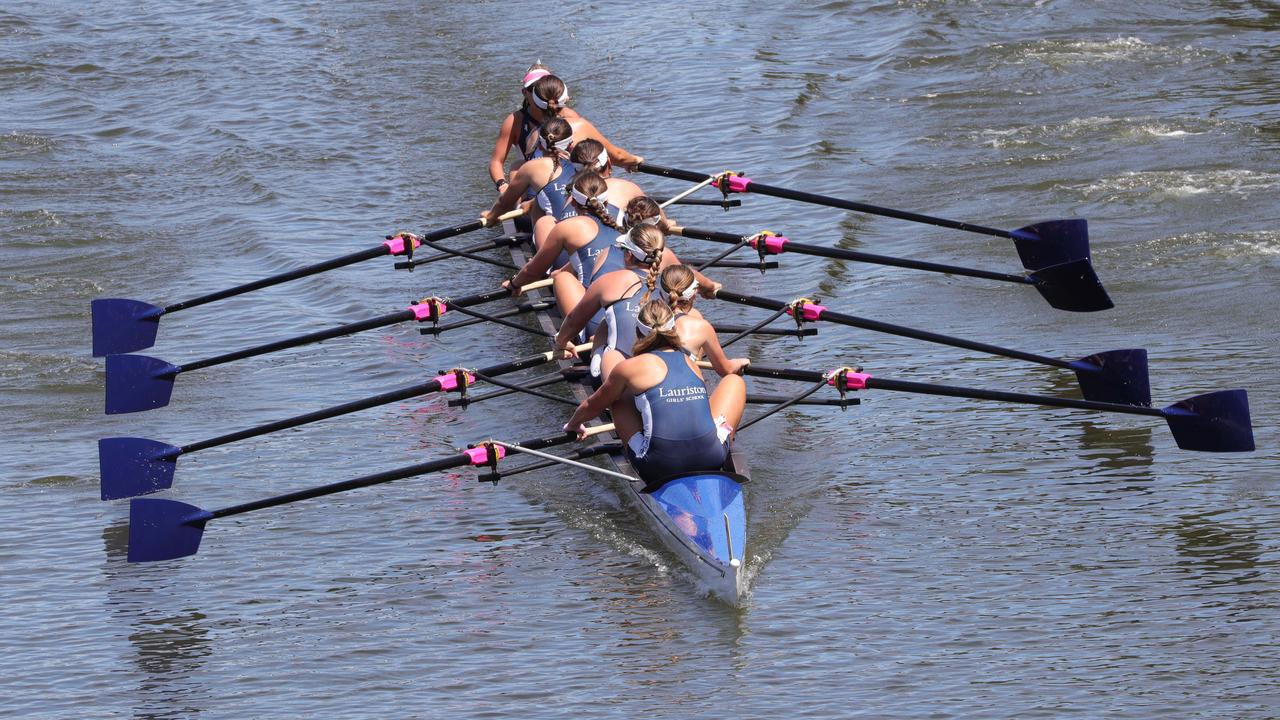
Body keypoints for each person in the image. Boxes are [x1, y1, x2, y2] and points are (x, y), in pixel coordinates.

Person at [562, 297, 747, 483]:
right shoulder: (690, 361)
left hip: (659, 466)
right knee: (734, 381)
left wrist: (573, 425)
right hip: (712, 457)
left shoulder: (628, 368)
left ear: (637, 332)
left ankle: (645, 444)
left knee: (616, 398)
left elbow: (593, 406)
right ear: (673, 330)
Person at [549, 225, 724, 377]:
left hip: (620, 373)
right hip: (663, 372)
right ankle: (693, 368)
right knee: (694, 316)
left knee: (605, 325)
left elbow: (574, 320)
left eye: (624, 249)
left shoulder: (611, 280)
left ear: (629, 256)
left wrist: (560, 344)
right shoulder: (673, 279)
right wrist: (710, 288)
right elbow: (694, 277)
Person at [488, 64, 642, 196]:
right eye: (535, 89)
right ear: (525, 93)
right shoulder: (514, 121)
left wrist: (626, 162)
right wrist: (502, 185)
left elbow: (592, 153)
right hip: (536, 180)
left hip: (565, 181)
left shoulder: (570, 116)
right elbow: (496, 161)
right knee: (517, 166)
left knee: (517, 166)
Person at [481, 117, 576, 245]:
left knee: (541, 215)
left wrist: (491, 218)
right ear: (571, 145)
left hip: (557, 243)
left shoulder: (531, 167)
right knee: (538, 203)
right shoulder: (584, 162)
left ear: (540, 146)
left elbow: (504, 204)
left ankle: (539, 258)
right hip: (584, 235)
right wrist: (533, 202)